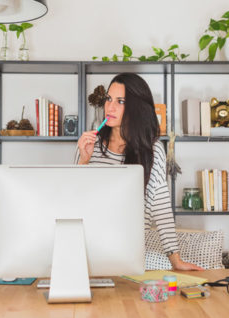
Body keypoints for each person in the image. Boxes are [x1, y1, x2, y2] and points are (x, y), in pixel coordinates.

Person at [76, 73, 203, 271]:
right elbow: (74, 199)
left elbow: (161, 206)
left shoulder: (152, 151)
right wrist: (84, 160)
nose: (110, 107)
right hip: (88, 250)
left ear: (136, 108)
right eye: (109, 99)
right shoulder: (90, 146)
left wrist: (175, 261)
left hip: (129, 253)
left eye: (120, 101)